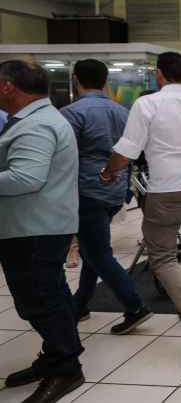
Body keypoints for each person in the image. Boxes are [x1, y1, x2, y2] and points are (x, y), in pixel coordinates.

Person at [100, 52, 181, 362]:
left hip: (167, 190)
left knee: (162, 256)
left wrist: (107, 173)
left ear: (159, 74)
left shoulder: (147, 104)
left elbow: (127, 150)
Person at [0, 60, 85, 402]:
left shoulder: (35, 125)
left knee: (40, 302)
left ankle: (65, 369)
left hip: (33, 228)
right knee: (52, 294)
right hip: (41, 224)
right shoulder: (37, 119)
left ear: (8, 86)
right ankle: (58, 357)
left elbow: (25, 178)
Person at [59, 59, 154, 332]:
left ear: (75, 79)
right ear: (106, 82)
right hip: (114, 191)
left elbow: (62, 157)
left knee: (98, 252)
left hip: (86, 192)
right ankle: (81, 303)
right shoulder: (124, 112)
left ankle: (134, 306)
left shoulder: (70, 114)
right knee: (92, 249)